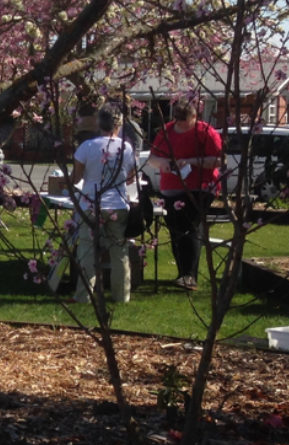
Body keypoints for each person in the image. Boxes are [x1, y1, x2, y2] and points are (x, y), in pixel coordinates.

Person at [149, 98, 223, 291]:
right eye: (178, 122)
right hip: (171, 185)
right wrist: (163, 164)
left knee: (189, 225)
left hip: (199, 186)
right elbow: (153, 158)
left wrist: (191, 161)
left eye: (185, 122)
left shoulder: (206, 132)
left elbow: (217, 160)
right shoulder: (166, 131)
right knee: (175, 228)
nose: (181, 125)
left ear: (194, 117)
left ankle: (189, 274)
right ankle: (183, 272)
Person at [71, 108, 138, 304]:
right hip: (117, 203)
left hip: (91, 203)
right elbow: (131, 178)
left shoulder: (87, 146)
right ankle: (122, 296)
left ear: (99, 124)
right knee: (120, 252)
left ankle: (84, 295)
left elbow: (76, 177)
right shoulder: (126, 147)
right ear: (119, 125)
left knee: (87, 251)